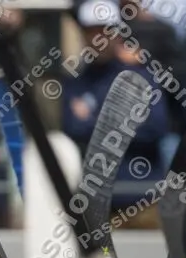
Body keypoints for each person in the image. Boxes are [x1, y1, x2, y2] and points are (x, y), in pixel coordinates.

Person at [62, 0, 169, 224]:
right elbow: (71, 129)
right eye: (90, 31)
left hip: (143, 199)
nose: (98, 39)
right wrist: (125, 124)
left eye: (105, 31)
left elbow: (156, 128)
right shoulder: (77, 82)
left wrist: (94, 123)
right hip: (97, 207)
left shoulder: (140, 77)